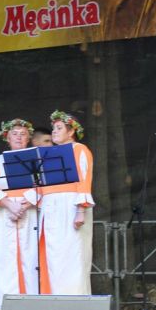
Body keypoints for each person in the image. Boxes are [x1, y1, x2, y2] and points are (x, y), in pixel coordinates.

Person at [37, 110, 95, 295]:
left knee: (73, 255)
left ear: (71, 131)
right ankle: (55, 300)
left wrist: (80, 210)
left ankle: (74, 300)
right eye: (53, 128)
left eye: (59, 128)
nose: (54, 131)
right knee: (54, 257)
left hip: (71, 205)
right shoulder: (47, 153)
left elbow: (84, 179)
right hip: (51, 207)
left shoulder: (79, 149)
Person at [0, 119, 39, 309]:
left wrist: (23, 206)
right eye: (14, 134)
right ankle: (7, 307)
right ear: (7, 138)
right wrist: (10, 205)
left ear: (28, 138)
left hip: (29, 210)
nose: (18, 137)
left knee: (31, 257)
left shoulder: (36, 158)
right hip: (5, 211)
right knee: (6, 259)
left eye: (23, 134)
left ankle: (32, 306)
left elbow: (42, 184)